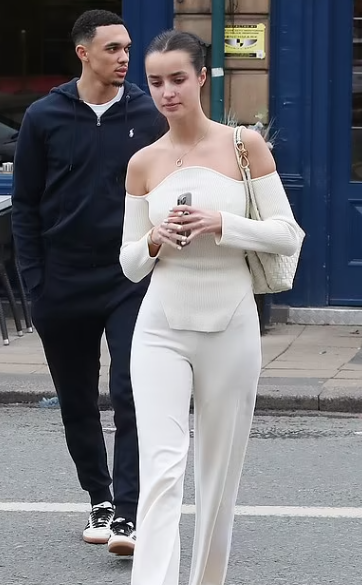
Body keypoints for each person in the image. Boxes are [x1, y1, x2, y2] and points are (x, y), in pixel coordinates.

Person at [119, 30, 302, 584]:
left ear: (201, 77)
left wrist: (223, 223)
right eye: (155, 82)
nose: (167, 92)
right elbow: (129, 263)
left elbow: (287, 234)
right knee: (161, 468)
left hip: (231, 322)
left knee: (220, 475)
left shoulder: (245, 146)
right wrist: (155, 240)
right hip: (160, 326)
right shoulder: (143, 162)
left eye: (178, 79)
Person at [11, 9, 165, 556]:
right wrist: (36, 283)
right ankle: (99, 498)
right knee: (76, 399)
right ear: (83, 53)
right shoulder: (44, 116)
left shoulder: (148, 114)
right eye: (112, 49)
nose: (124, 58)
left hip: (129, 277)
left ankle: (128, 512)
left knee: (131, 392)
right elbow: (24, 205)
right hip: (62, 280)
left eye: (127, 49)